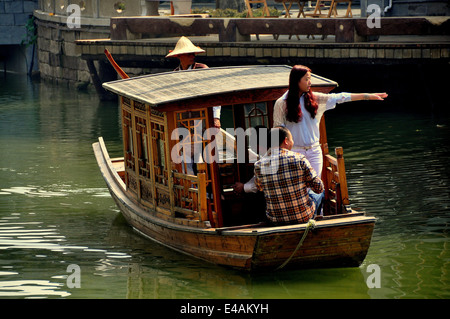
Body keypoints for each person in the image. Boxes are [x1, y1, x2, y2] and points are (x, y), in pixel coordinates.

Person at [273, 65, 388, 177]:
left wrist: (366, 96)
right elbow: (277, 132)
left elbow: (340, 97)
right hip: (294, 152)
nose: (310, 83)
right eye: (306, 79)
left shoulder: (314, 99)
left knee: (314, 187)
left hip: (314, 152)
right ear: (296, 81)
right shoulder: (282, 103)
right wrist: (274, 158)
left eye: (310, 79)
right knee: (299, 187)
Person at [254, 126, 324, 225]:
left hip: (275, 219)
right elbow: (318, 188)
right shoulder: (299, 158)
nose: (293, 142)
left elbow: (260, 188)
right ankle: (316, 221)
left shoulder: (259, 165)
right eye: (292, 139)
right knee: (320, 194)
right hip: (302, 216)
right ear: (286, 141)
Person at [166, 36, 221, 128]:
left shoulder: (202, 69)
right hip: (183, 120)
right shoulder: (175, 74)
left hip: (203, 117)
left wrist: (216, 117)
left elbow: (215, 93)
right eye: (189, 54)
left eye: (193, 54)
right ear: (180, 56)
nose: (192, 56)